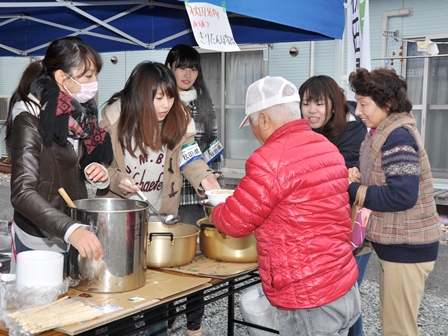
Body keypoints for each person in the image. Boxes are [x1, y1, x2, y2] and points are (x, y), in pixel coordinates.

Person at [211, 76, 361, 336]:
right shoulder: (327, 147)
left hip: (308, 297)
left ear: (265, 120)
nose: (255, 132)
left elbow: (234, 222)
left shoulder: (269, 159)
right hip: (343, 285)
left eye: (254, 124)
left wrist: (215, 208)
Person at [98, 61, 221, 335]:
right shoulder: (114, 120)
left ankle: (159, 331)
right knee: (121, 289)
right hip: (121, 220)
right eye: (158, 97)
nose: (166, 104)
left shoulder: (178, 117)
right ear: (141, 96)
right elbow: (98, 165)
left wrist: (206, 178)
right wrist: (118, 180)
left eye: (170, 96)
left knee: (159, 287)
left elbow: (190, 157)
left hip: (158, 216)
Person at [347, 67, 441, 335]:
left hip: (408, 249)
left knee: (398, 329)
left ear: (387, 103)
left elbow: (402, 195)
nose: (358, 111)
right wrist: (358, 173)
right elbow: (383, 175)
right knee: (394, 324)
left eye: (364, 104)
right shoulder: (381, 131)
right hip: (400, 247)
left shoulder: (397, 136)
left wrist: (353, 188)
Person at [5, 36, 112, 271]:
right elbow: (22, 191)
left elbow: (77, 162)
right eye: (87, 76)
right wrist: (70, 229)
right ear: (62, 77)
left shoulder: (78, 113)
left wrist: (99, 171)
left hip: (73, 228)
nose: (94, 83)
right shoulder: (29, 117)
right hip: (41, 237)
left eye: (95, 75)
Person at [299, 75, 369, 336]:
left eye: (319, 103)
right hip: (327, 226)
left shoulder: (355, 130)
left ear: (335, 103)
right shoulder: (309, 131)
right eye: (306, 103)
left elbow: (337, 173)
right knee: (341, 295)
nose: (312, 110)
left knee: (348, 293)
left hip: (357, 223)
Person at [165, 43, 224, 336]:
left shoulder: (204, 101)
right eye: (181, 67)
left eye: (193, 67)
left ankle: (194, 324)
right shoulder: (160, 99)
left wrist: (213, 174)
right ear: (169, 68)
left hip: (195, 195)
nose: (187, 74)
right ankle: (165, 319)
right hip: (165, 195)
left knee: (194, 262)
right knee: (164, 259)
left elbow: (213, 141)